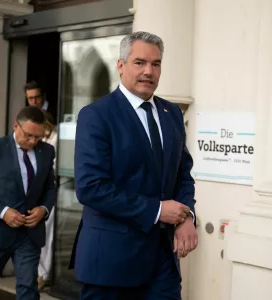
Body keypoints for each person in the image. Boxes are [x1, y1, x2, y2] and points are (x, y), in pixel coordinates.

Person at [70, 31, 198, 299]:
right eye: (139, 63)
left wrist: (187, 216)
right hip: (111, 264)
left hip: (163, 263)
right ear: (120, 66)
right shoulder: (96, 116)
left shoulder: (171, 113)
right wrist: (157, 210)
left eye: (156, 64)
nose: (149, 71)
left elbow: (182, 175)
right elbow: (91, 188)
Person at [0, 106, 56, 299]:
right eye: (29, 135)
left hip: (29, 235)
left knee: (28, 289)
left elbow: (50, 187)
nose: (33, 141)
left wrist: (43, 209)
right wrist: (3, 211)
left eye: (38, 137)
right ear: (15, 126)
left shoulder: (47, 151)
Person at [37, 111, 58, 290]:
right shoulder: (41, 140)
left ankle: (46, 274)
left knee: (49, 234)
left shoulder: (56, 140)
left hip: (53, 192)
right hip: (41, 193)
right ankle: (41, 273)